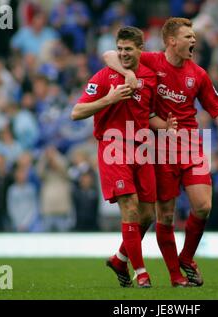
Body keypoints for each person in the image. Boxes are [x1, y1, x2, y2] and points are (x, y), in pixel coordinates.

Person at [103, 17, 218, 287]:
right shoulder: (152, 61)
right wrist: (129, 73)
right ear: (171, 41)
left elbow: (216, 107)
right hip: (159, 147)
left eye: (193, 35)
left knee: (203, 206)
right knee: (164, 216)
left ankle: (186, 257)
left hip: (192, 144)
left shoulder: (198, 74)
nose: (193, 40)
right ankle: (175, 277)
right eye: (188, 36)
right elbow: (110, 54)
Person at [71, 26, 177, 288]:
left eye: (128, 49)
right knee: (129, 207)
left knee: (147, 215)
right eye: (120, 49)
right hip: (113, 145)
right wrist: (108, 99)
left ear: (140, 50)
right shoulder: (105, 76)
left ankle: (119, 259)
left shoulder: (151, 78)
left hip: (141, 146)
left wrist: (166, 126)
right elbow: (77, 111)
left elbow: (148, 115)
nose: (123, 53)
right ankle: (140, 272)